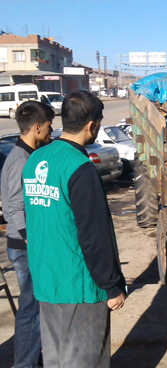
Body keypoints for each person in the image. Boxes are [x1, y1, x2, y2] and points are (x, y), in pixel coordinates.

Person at [22, 90, 127, 367]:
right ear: (92, 126)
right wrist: (112, 285)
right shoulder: (80, 168)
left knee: (56, 360)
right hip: (78, 286)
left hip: (47, 281)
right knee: (84, 360)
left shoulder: (35, 160)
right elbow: (94, 235)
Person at [1, 101, 53, 368]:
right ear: (36, 127)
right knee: (31, 310)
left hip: (24, 244)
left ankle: (33, 360)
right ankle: (25, 364)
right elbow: (13, 204)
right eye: (48, 126)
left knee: (35, 308)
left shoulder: (25, 155)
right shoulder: (21, 160)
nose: (51, 131)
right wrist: (29, 238)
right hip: (24, 246)